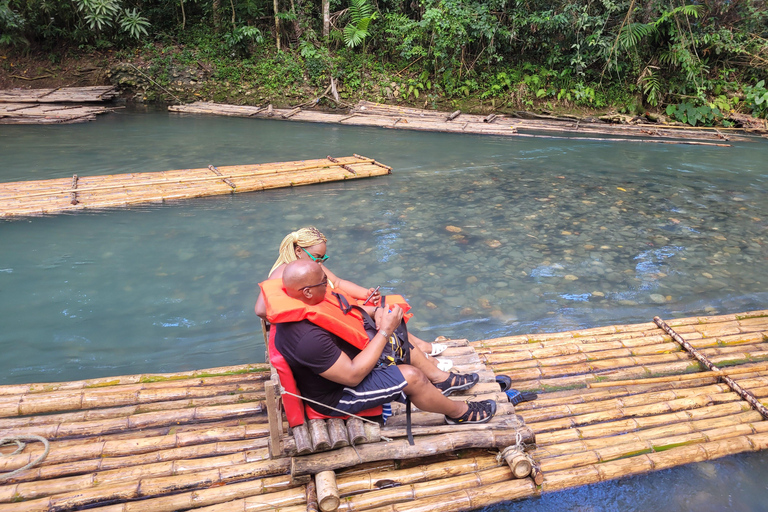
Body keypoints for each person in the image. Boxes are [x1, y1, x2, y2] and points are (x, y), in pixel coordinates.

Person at [259, 260, 497, 424]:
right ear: (307, 291)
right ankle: (458, 413)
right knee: (411, 376)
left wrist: (376, 314)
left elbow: (348, 310)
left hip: (345, 365)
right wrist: (384, 331)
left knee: (397, 338)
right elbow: (351, 376)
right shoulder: (305, 338)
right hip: (337, 395)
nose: (329, 285)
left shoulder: (310, 300)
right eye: (324, 282)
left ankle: (441, 381)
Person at [254, 226, 448, 358]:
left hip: (335, 307)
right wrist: (306, 312)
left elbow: (336, 281)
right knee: (382, 313)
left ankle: (417, 346)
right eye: (318, 257)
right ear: (298, 251)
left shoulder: (311, 265)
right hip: (329, 317)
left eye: (324, 258)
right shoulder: (286, 273)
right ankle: (414, 352)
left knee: (381, 305)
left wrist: (365, 294)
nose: (320, 262)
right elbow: (261, 309)